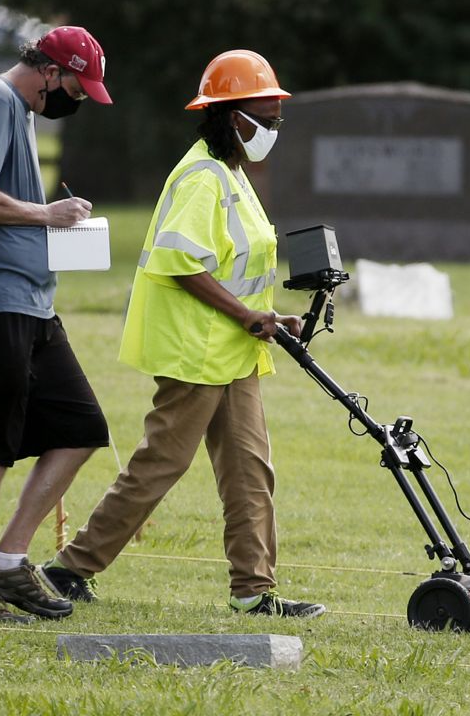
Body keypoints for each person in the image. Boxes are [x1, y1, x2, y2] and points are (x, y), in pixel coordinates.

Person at [41, 49, 325, 619]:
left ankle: (254, 590)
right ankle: (70, 568)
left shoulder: (235, 174)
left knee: (250, 469)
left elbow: (234, 265)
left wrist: (271, 315)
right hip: (196, 350)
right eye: (264, 117)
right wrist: (247, 316)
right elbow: (181, 262)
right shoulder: (202, 177)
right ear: (230, 115)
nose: (272, 128)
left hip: (234, 349)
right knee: (161, 463)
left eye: (276, 118)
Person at [0, 26, 113, 622]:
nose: (78, 100)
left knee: (82, 426)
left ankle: (9, 560)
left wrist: (56, 227)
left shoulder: (22, 112)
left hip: (31, 304)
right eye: (76, 87)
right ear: (49, 70)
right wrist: (48, 214)